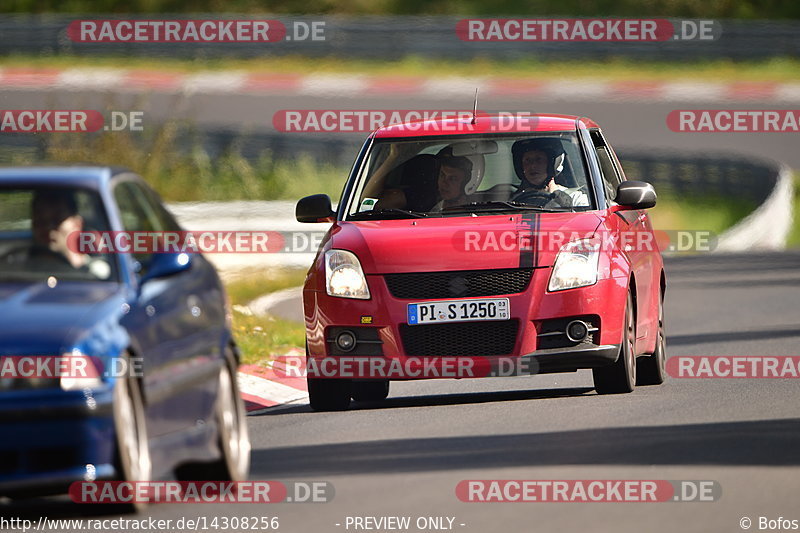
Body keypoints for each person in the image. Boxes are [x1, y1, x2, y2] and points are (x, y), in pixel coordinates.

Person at [1, 190, 110, 279]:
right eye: (41, 221)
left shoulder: (98, 275)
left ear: (77, 224)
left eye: (57, 220)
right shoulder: (12, 270)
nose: (48, 228)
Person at [510, 139, 589, 208]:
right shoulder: (510, 203)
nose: (532, 166)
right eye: (527, 160)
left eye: (539, 159)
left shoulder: (576, 199)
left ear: (552, 164)